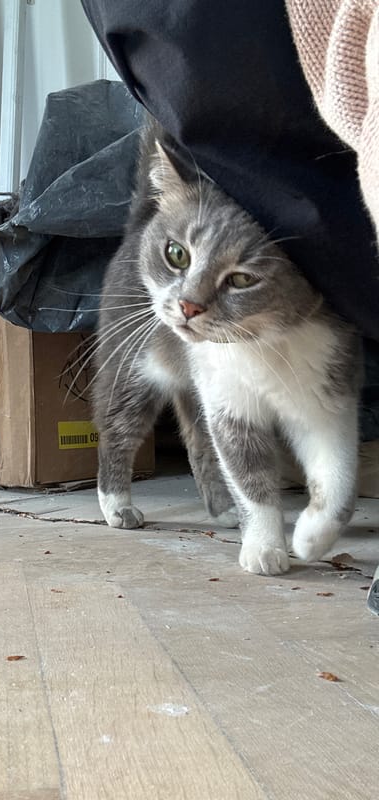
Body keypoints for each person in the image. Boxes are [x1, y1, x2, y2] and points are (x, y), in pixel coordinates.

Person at [80, 0, 379, 612]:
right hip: (180, 243)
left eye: (237, 280)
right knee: (136, 405)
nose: (189, 304)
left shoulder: (311, 308)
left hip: (278, 321)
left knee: (257, 417)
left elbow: (326, 427)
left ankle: (242, 503)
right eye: (181, 268)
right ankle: (114, 482)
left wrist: (330, 504)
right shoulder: (172, 282)